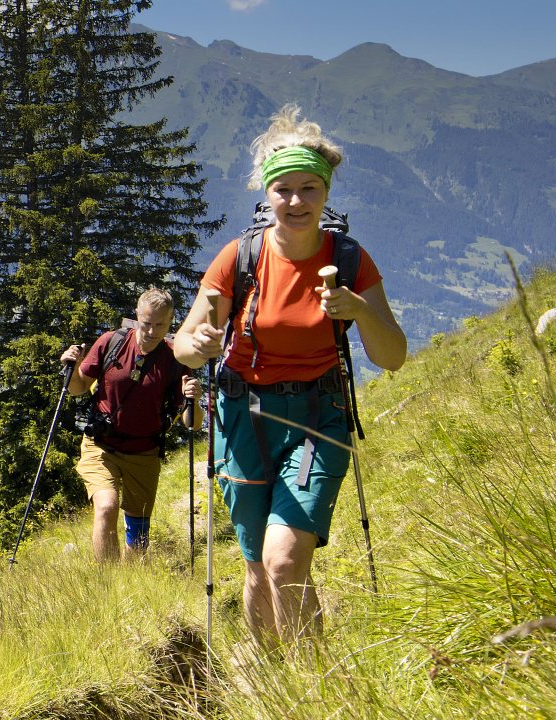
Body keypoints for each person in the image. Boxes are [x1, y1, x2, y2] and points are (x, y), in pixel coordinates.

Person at [173, 104, 407, 649]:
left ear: (326, 192)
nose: (296, 202)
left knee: (283, 560)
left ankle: (312, 683)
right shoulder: (241, 257)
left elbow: (392, 357)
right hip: (241, 418)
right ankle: (273, 679)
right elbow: (185, 345)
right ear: (266, 193)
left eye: (309, 189)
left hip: (316, 420)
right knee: (256, 562)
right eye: (284, 190)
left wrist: (360, 310)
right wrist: (198, 343)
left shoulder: (349, 260)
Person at [60, 288, 201, 562]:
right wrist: (73, 366)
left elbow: (192, 424)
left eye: (160, 324)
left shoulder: (175, 360)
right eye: (146, 323)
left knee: (137, 538)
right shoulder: (111, 342)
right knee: (107, 506)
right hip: (100, 446)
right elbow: (78, 389)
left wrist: (193, 400)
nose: (151, 330)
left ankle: (128, 580)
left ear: (171, 321)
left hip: (144, 453)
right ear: (137, 316)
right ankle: (107, 582)